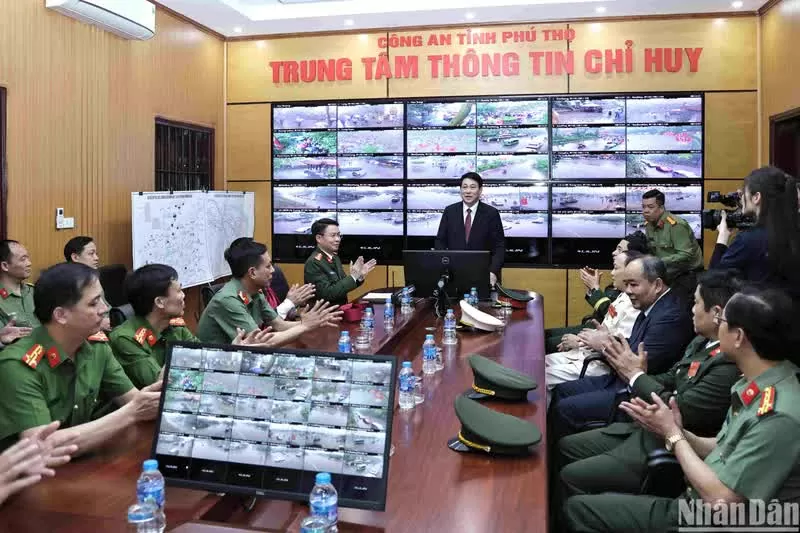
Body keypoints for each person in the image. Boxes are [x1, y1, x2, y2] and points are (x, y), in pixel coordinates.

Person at [564, 287, 800, 532]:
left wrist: (673, 436)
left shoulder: (777, 413)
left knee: (579, 510)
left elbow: (723, 503)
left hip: (709, 521)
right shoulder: (758, 383)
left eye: (722, 322)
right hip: (695, 504)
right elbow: (722, 448)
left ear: (738, 337)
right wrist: (676, 430)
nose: (718, 328)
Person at [556, 270, 742, 504]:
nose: (691, 309)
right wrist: (639, 373)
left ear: (716, 313)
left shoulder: (727, 364)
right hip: (646, 428)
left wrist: (634, 374)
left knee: (570, 477)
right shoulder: (702, 341)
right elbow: (672, 378)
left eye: (696, 303)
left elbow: (680, 409)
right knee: (564, 445)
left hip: (664, 447)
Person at [0, 262, 163, 456]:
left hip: (80, 462)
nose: (104, 309)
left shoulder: (97, 348)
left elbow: (133, 400)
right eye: (94, 303)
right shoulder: (18, 365)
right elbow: (41, 447)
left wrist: (160, 388)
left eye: (102, 299)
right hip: (26, 477)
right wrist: (132, 412)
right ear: (61, 315)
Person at [548, 255, 693, 445]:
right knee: (561, 391)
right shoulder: (654, 305)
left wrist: (605, 344)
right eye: (626, 284)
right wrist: (606, 340)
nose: (628, 291)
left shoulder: (670, 316)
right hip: (620, 379)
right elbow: (633, 344)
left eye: (633, 284)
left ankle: (555, 464)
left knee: (564, 409)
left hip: (635, 393)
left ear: (657, 285)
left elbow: (638, 362)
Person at [110, 264, 276, 388]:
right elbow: (160, 384)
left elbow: (203, 356)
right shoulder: (126, 339)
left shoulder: (175, 326)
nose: (183, 296)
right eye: (179, 291)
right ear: (160, 302)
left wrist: (232, 351)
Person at [199, 238, 342, 345]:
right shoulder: (228, 300)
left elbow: (279, 325)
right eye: (268, 266)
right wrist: (304, 326)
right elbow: (263, 343)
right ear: (252, 272)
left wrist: (316, 322)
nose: (273, 270)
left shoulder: (256, 291)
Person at [545, 250, 642, 399]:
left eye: (616, 268)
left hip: (599, 363)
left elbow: (618, 345)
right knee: (539, 364)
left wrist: (579, 342)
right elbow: (605, 329)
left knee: (543, 377)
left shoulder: (634, 304)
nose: (611, 273)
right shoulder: (622, 295)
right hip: (588, 352)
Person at [545, 232, 649, 353]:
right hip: (595, 330)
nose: (614, 252)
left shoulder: (633, 292)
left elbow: (610, 313)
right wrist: (592, 288)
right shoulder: (618, 281)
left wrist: (595, 289)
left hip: (600, 337)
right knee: (544, 335)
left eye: (620, 250)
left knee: (545, 343)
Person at [711, 166, 800, 298]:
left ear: (756, 197)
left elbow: (711, 283)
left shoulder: (749, 240)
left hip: (760, 315)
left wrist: (722, 239)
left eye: (743, 193)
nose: (741, 198)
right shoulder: (793, 233)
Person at [435, 172, 505, 287]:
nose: (468, 191)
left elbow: (499, 246)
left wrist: (492, 272)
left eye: (473, 187)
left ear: (480, 190)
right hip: (453, 274)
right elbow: (440, 241)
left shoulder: (491, 213)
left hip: (483, 274)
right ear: (460, 190)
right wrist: (445, 266)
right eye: (464, 187)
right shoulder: (450, 211)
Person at [642, 189, 703, 305]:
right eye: (643, 207)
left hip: (686, 276)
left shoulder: (676, 225)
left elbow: (686, 254)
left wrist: (659, 261)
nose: (645, 211)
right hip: (666, 275)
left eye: (650, 207)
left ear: (661, 208)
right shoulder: (649, 225)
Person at [304, 218, 377, 306]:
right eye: (333, 235)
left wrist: (358, 277)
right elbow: (328, 294)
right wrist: (353, 276)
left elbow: (341, 287)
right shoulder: (314, 263)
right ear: (319, 238)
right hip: (324, 316)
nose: (338, 239)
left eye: (339, 235)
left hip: (340, 311)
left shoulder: (334, 257)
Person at [64, 236, 110, 331]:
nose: (96, 258)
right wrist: (99, 324)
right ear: (75, 257)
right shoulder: (66, 284)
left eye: (96, 254)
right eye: (91, 254)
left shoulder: (93, 277)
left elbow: (106, 308)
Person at [0, 240, 38, 329]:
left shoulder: (34, 291)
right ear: (5, 266)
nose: (29, 263)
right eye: (23, 259)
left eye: (28, 258)